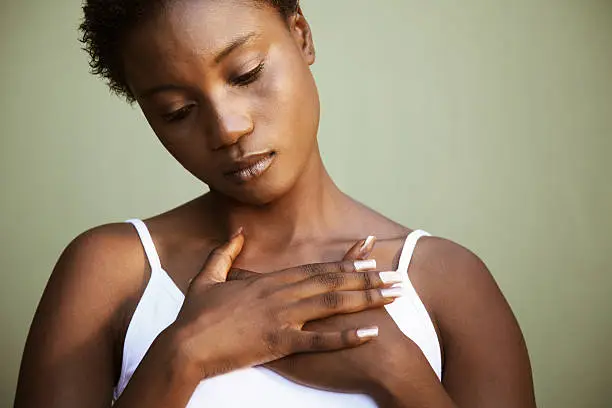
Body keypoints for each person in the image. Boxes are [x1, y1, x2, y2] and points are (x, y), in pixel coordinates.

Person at [14, 1, 537, 407]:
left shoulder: (446, 281)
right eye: (177, 110)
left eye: (245, 74)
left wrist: (397, 373)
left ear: (301, 35)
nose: (227, 128)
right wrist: (184, 354)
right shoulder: (110, 270)